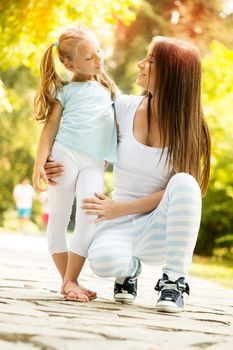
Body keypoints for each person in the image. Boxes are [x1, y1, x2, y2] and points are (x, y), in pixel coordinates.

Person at [45, 36, 211, 313]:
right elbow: (80, 127)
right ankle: (129, 269)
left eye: (150, 61)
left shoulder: (191, 128)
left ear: (171, 74)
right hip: (120, 223)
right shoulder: (123, 108)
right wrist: (52, 158)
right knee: (102, 262)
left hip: (160, 227)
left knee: (185, 183)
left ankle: (173, 280)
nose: (140, 64)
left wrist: (120, 207)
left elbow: (183, 192)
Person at [32, 26, 117, 302]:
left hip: (94, 164)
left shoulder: (108, 89)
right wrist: (39, 164)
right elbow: (49, 129)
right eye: (89, 57)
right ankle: (69, 281)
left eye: (99, 51)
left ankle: (70, 280)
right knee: (58, 218)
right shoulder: (64, 91)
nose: (99, 59)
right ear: (69, 64)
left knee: (88, 216)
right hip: (64, 156)